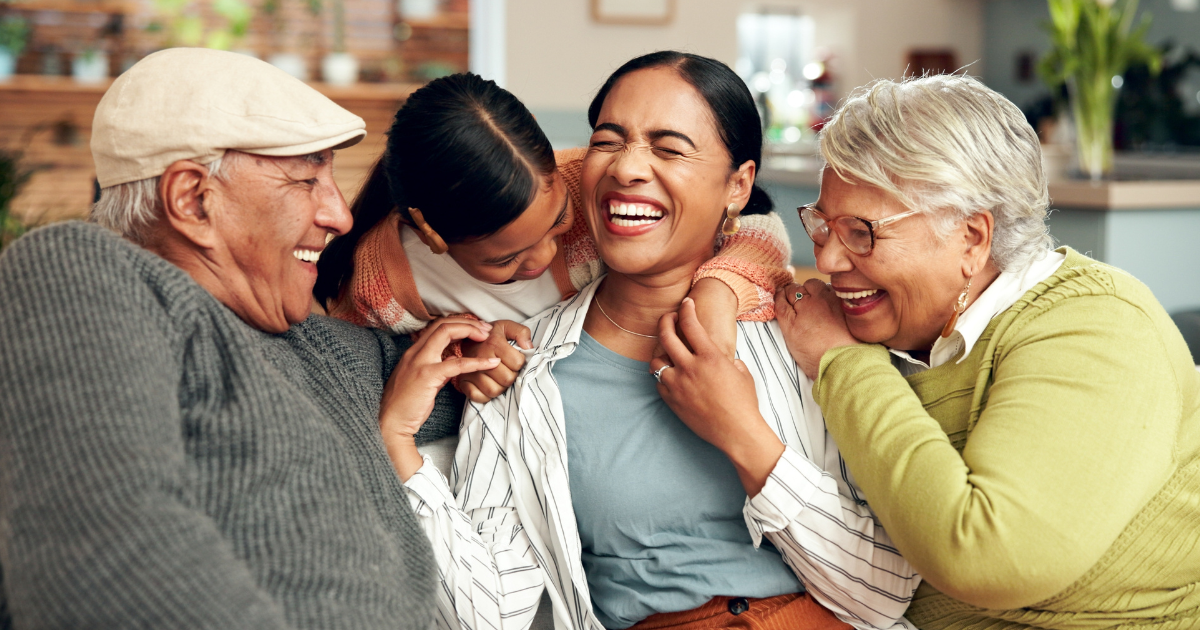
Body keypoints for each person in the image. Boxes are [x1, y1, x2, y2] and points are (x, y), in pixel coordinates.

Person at [377, 51, 920, 630]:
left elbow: (884, 594)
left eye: (669, 147)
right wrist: (397, 444)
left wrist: (744, 435)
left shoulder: (808, 335)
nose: (627, 168)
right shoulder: (518, 370)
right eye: (608, 141)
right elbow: (490, 616)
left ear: (738, 186)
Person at [677, 74, 1199, 630]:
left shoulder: (1099, 327)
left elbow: (985, 555)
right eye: (823, 226)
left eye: (861, 232)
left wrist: (844, 364)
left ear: (972, 238)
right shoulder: (900, 328)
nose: (826, 261)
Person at [0, 48, 497, 628]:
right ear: (192, 200)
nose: (339, 214)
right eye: (308, 178)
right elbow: (108, 562)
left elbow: (483, 377)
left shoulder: (316, 346)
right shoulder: (78, 276)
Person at [314, 72, 793, 404]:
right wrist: (465, 354)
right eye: (506, 259)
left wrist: (720, 288)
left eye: (558, 220)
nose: (544, 255)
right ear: (431, 234)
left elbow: (755, 220)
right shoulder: (382, 285)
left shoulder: (594, 180)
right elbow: (393, 366)